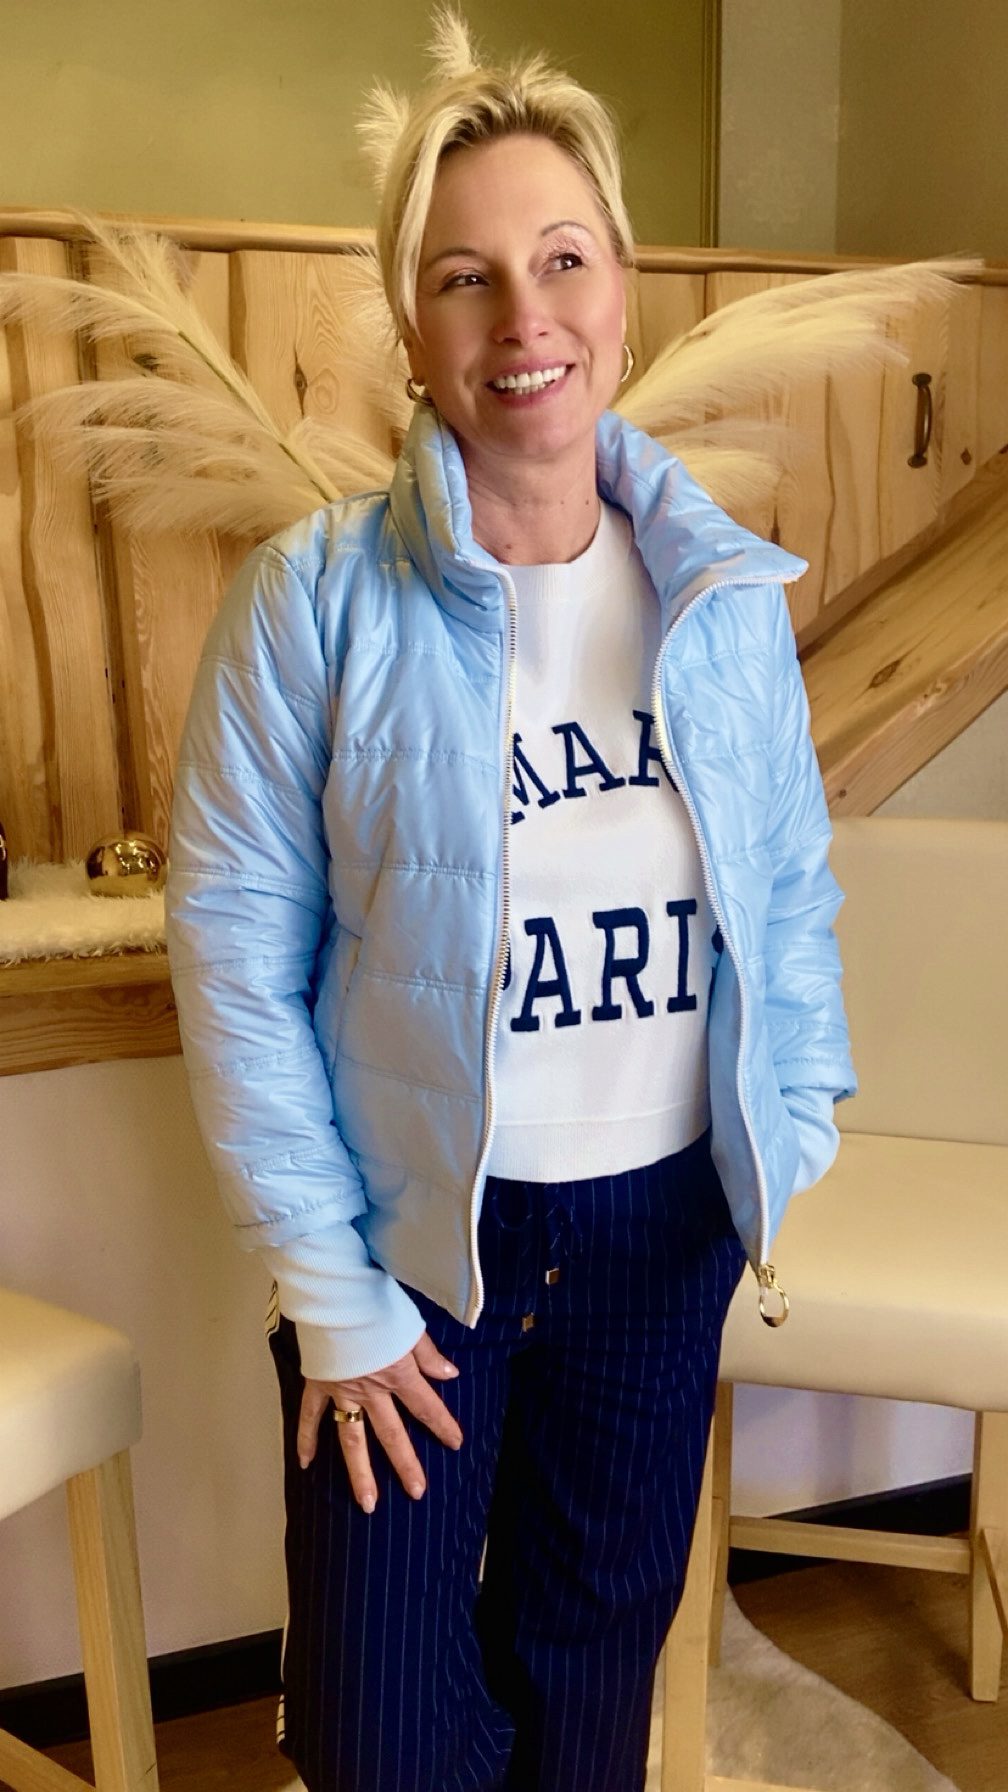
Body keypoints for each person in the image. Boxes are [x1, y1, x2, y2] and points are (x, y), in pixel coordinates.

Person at [166, 20, 856, 1792]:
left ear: (623, 286)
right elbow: (234, 960)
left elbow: (789, 888)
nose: (521, 317)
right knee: (382, 1733)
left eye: (561, 260)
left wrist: (796, 1116)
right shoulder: (309, 600)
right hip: (415, 1258)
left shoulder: (723, 597)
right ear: (411, 328)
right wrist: (331, 1292)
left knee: (587, 1695)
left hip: (659, 1236)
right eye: (464, 277)